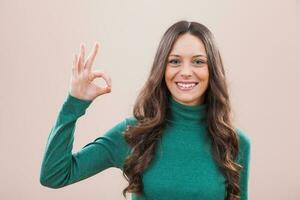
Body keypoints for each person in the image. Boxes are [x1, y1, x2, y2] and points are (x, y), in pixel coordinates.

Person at [40, 20, 251, 200]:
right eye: (175, 61)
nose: (186, 72)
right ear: (162, 68)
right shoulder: (134, 134)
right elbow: (54, 175)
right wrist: (74, 104)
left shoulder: (234, 142)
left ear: (212, 70)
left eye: (198, 62)